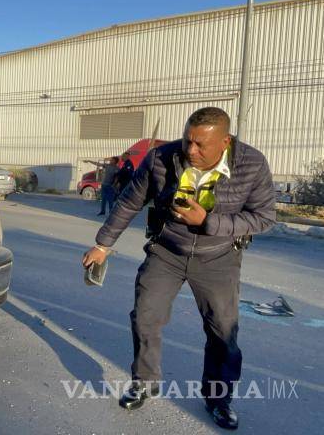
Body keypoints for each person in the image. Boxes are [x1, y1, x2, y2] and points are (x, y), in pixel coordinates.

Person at [81, 107, 276, 430]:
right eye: (188, 141)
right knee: (145, 316)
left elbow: (264, 216)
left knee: (222, 332)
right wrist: (103, 245)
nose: (191, 151)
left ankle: (219, 399)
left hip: (219, 258)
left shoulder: (251, 164)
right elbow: (130, 201)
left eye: (201, 145)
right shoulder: (161, 158)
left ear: (225, 141)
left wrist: (209, 222)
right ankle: (144, 382)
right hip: (166, 252)